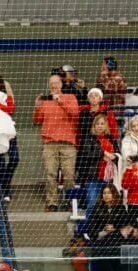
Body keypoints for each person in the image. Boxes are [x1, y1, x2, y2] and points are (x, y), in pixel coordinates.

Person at [33, 74, 80, 211]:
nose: (53, 85)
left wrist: (60, 101)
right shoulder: (45, 101)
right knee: (50, 174)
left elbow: (75, 113)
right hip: (49, 143)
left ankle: (70, 203)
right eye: (51, 83)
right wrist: (37, 107)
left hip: (68, 143)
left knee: (69, 175)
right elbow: (36, 120)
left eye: (56, 82)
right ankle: (52, 203)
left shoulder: (70, 98)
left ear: (61, 84)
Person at [76, 113, 118, 225]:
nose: (99, 126)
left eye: (102, 124)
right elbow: (87, 153)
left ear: (106, 126)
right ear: (94, 126)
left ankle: (101, 231)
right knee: (92, 204)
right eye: (97, 124)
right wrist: (103, 154)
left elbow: (118, 153)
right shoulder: (89, 138)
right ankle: (85, 231)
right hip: (94, 177)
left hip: (108, 178)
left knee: (107, 205)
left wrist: (115, 156)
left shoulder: (111, 138)